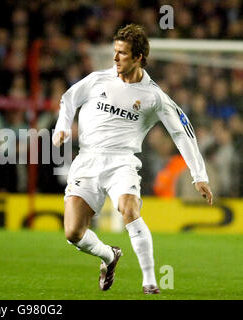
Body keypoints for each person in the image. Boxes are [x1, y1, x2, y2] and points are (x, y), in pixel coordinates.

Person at [52, 24, 213, 295]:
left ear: (138, 57)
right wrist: (62, 126)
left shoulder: (154, 96)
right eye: (115, 52)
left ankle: (149, 281)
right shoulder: (97, 79)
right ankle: (109, 255)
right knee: (73, 234)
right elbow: (68, 99)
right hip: (87, 160)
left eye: (122, 53)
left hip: (122, 162)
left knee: (129, 210)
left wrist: (199, 175)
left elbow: (181, 133)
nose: (115, 58)